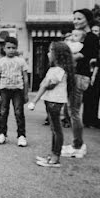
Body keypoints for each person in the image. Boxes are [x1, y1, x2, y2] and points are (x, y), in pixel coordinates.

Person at [28, 40, 75, 168]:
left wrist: (35, 100)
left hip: (55, 102)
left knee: (56, 130)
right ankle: (53, 155)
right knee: (54, 129)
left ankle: (55, 158)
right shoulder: (55, 69)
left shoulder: (58, 70)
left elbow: (47, 85)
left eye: (50, 51)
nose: (48, 53)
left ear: (57, 54)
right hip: (51, 101)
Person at [63, 9, 99, 159]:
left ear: (87, 20)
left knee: (74, 112)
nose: (76, 21)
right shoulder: (77, 37)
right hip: (74, 75)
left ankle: (78, 145)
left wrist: (65, 56)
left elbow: (80, 56)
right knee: (73, 111)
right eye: (74, 18)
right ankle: (76, 143)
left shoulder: (91, 38)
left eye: (79, 18)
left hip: (80, 76)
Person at [0, 36, 29, 147]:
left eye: (13, 48)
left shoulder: (21, 61)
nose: (11, 50)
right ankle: (2, 134)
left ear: (16, 48)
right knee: (3, 112)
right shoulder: (0, 61)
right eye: (8, 47)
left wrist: (26, 93)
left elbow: (25, 78)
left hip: (18, 90)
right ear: (4, 48)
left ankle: (21, 136)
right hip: (4, 90)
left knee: (19, 112)